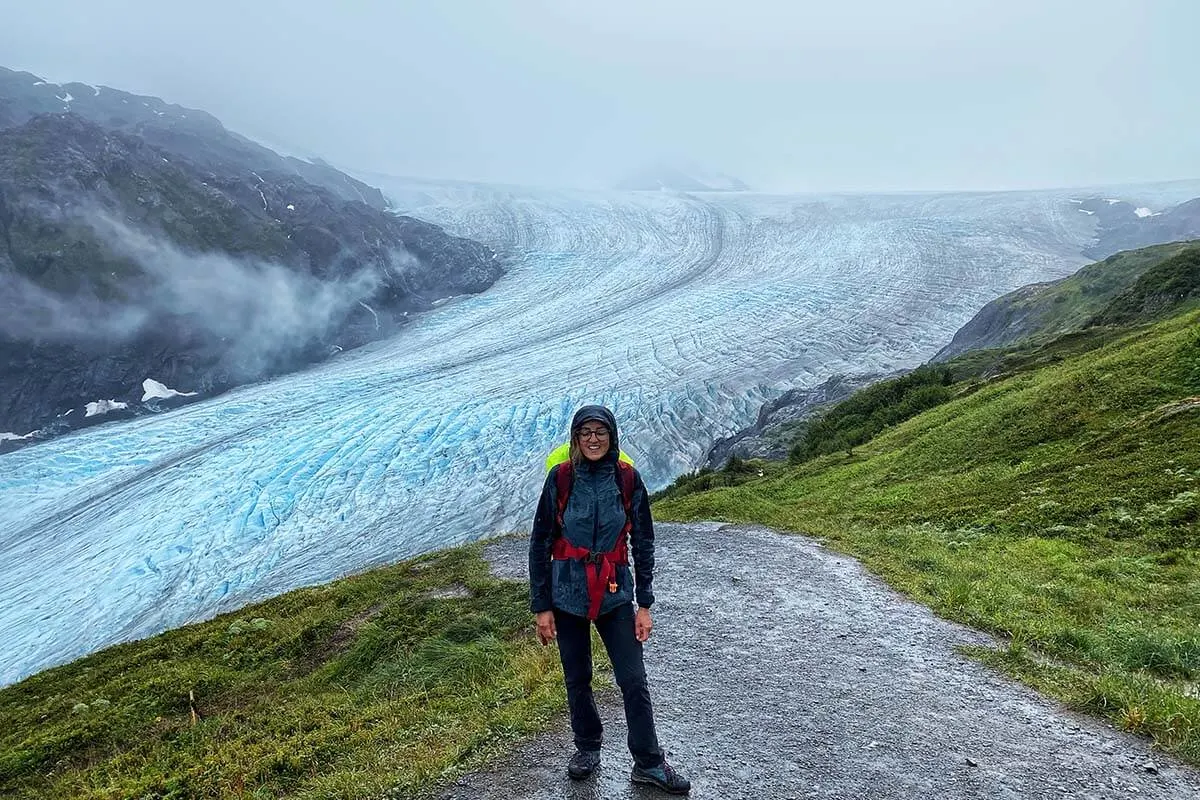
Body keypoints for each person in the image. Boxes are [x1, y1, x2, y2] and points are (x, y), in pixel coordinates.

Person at [528, 405, 691, 794]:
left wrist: (645, 604)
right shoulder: (561, 478)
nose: (594, 439)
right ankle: (587, 747)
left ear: (612, 435)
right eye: (586, 432)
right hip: (567, 593)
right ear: (576, 438)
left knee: (633, 679)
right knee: (577, 678)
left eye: (601, 431)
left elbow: (644, 542)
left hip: (616, 593)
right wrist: (542, 606)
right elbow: (540, 543)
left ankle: (649, 762)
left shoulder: (627, 479)